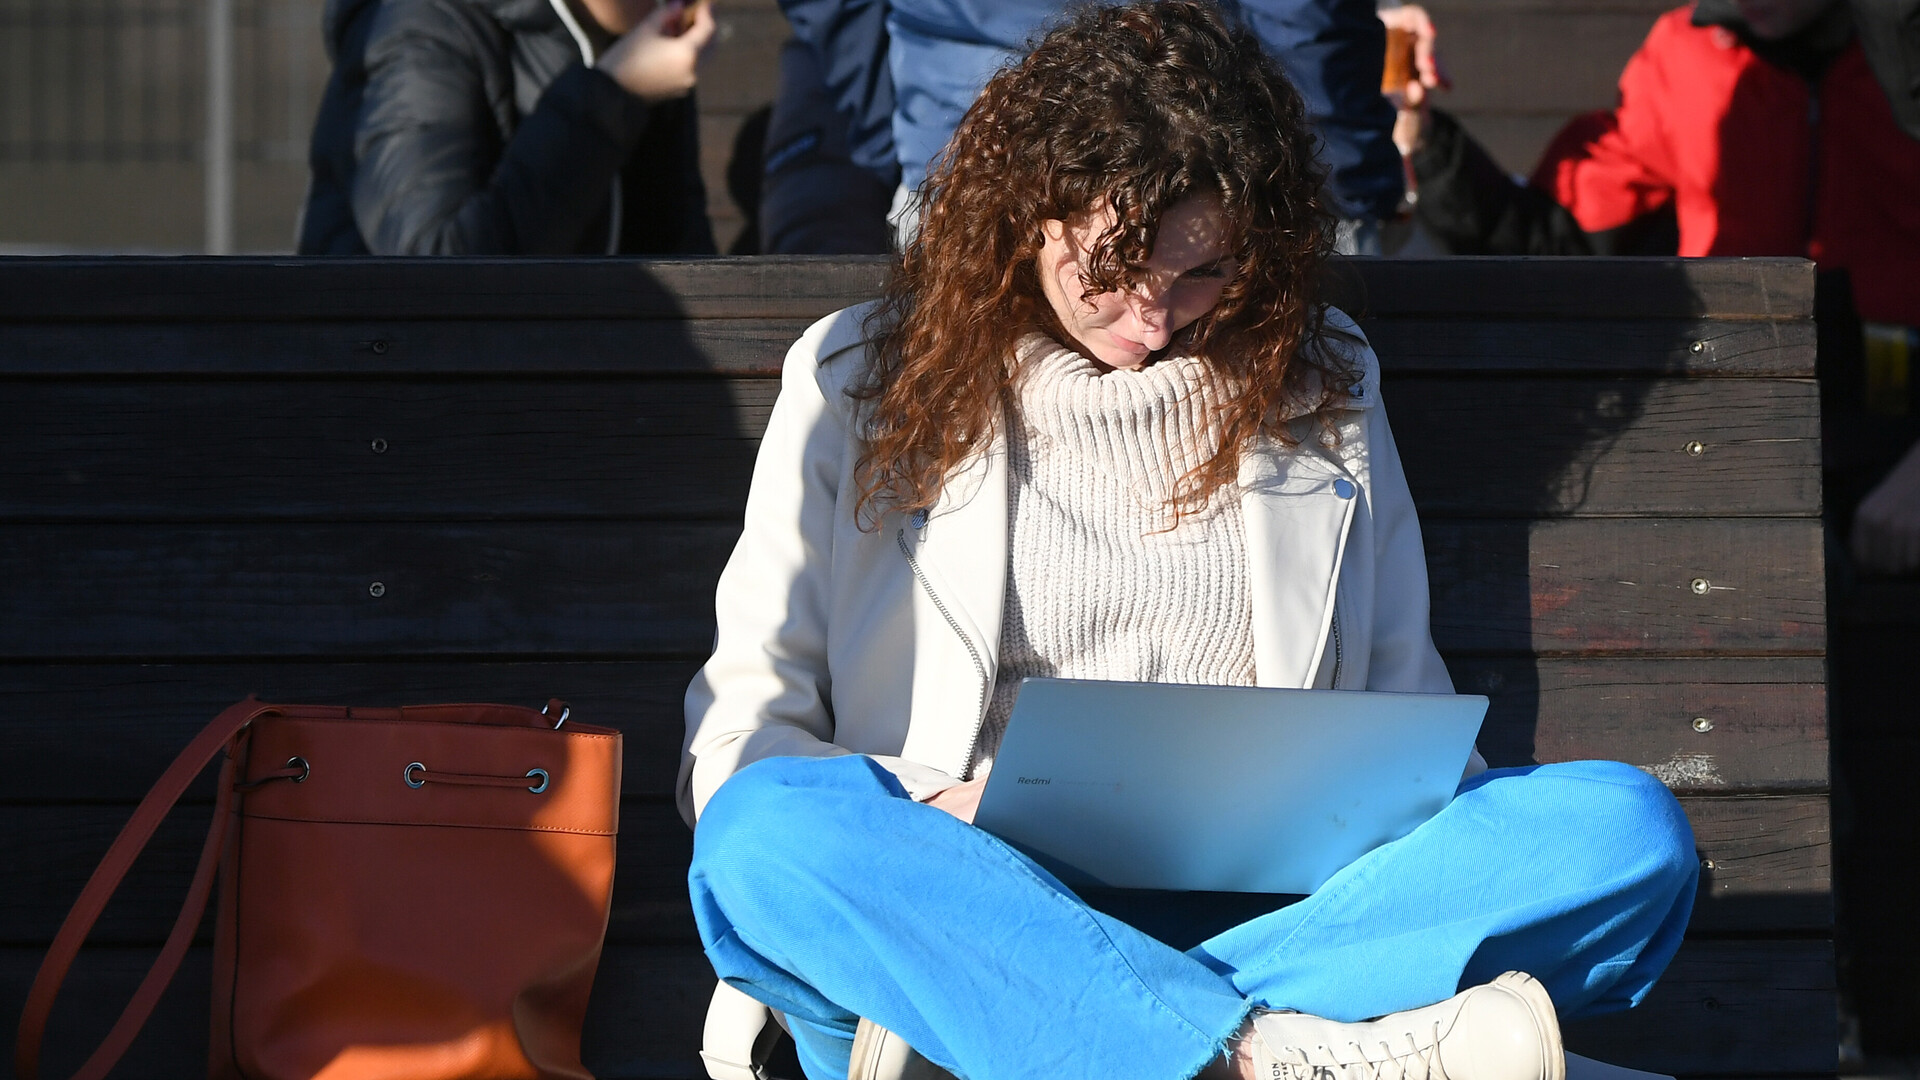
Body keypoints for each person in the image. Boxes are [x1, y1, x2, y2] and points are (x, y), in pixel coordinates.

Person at [680, 4, 1699, 1079]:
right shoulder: (858, 376)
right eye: (1111, 272)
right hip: (972, 905)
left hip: (1271, 918)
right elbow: (742, 735)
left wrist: (1370, 821)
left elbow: (1405, 729)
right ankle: (1273, 1056)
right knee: (762, 833)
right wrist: (940, 808)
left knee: (1621, 833)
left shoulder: (1322, 376)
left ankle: (1069, 1043)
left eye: (1202, 273)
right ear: (1026, 214)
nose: (1154, 318)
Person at [1391, 0, 1920, 575]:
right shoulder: (1689, 51)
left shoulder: (1903, 56)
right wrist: (1426, 140)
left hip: (1895, 438)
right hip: (1735, 441)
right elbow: (1563, 239)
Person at [298, 0, 717, 255]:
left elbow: (677, 258)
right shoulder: (424, 22)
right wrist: (615, 93)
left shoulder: (639, 43)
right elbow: (436, 269)